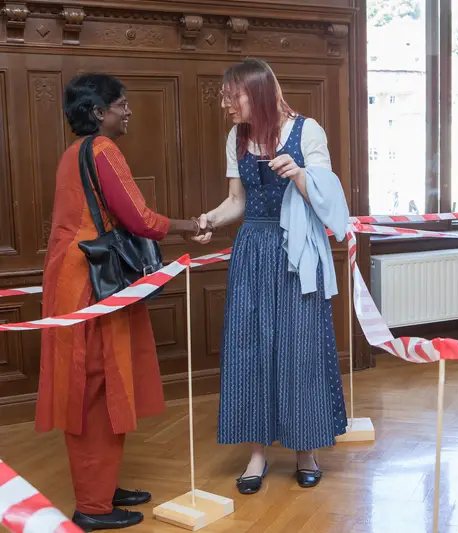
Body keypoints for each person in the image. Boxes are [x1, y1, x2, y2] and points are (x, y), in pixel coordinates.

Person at [36, 73, 204, 531]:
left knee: (97, 386)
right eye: (121, 105)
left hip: (75, 280)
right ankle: (92, 506)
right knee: (94, 390)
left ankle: (103, 487)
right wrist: (190, 225)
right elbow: (140, 218)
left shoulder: (73, 154)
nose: (127, 112)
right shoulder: (104, 151)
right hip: (93, 286)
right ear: (97, 112)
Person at [194, 58, 349, 494]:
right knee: (251, 347)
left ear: (258, 93)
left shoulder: (308, 131)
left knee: (300, 348)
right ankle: (258, 453)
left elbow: (328, 201)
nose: (227, 105)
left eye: (232, 96)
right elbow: (236, 201)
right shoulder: (236, 137)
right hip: (252, 252)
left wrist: (299, 174)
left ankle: (306, 450)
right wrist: (210, 218)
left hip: (296, 250)